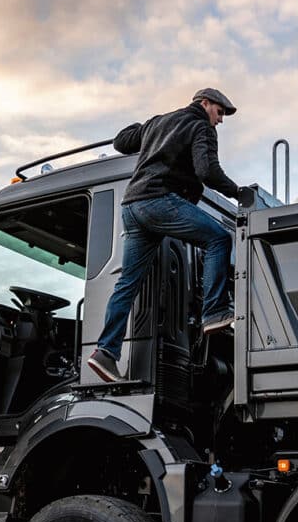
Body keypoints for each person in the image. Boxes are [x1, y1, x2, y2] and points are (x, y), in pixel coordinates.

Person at [87, 88, 255, 383]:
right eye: (220, 112)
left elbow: (121, 141)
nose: (221, 121)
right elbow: (207, 171)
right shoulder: (200, 125)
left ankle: (105, 353)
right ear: (204, 104)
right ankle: (214, 311)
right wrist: (238, 192)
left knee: (128, 283)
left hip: (132, 207)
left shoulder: (158, 122)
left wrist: (151, 126)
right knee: (218, 239)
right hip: (159, 201)